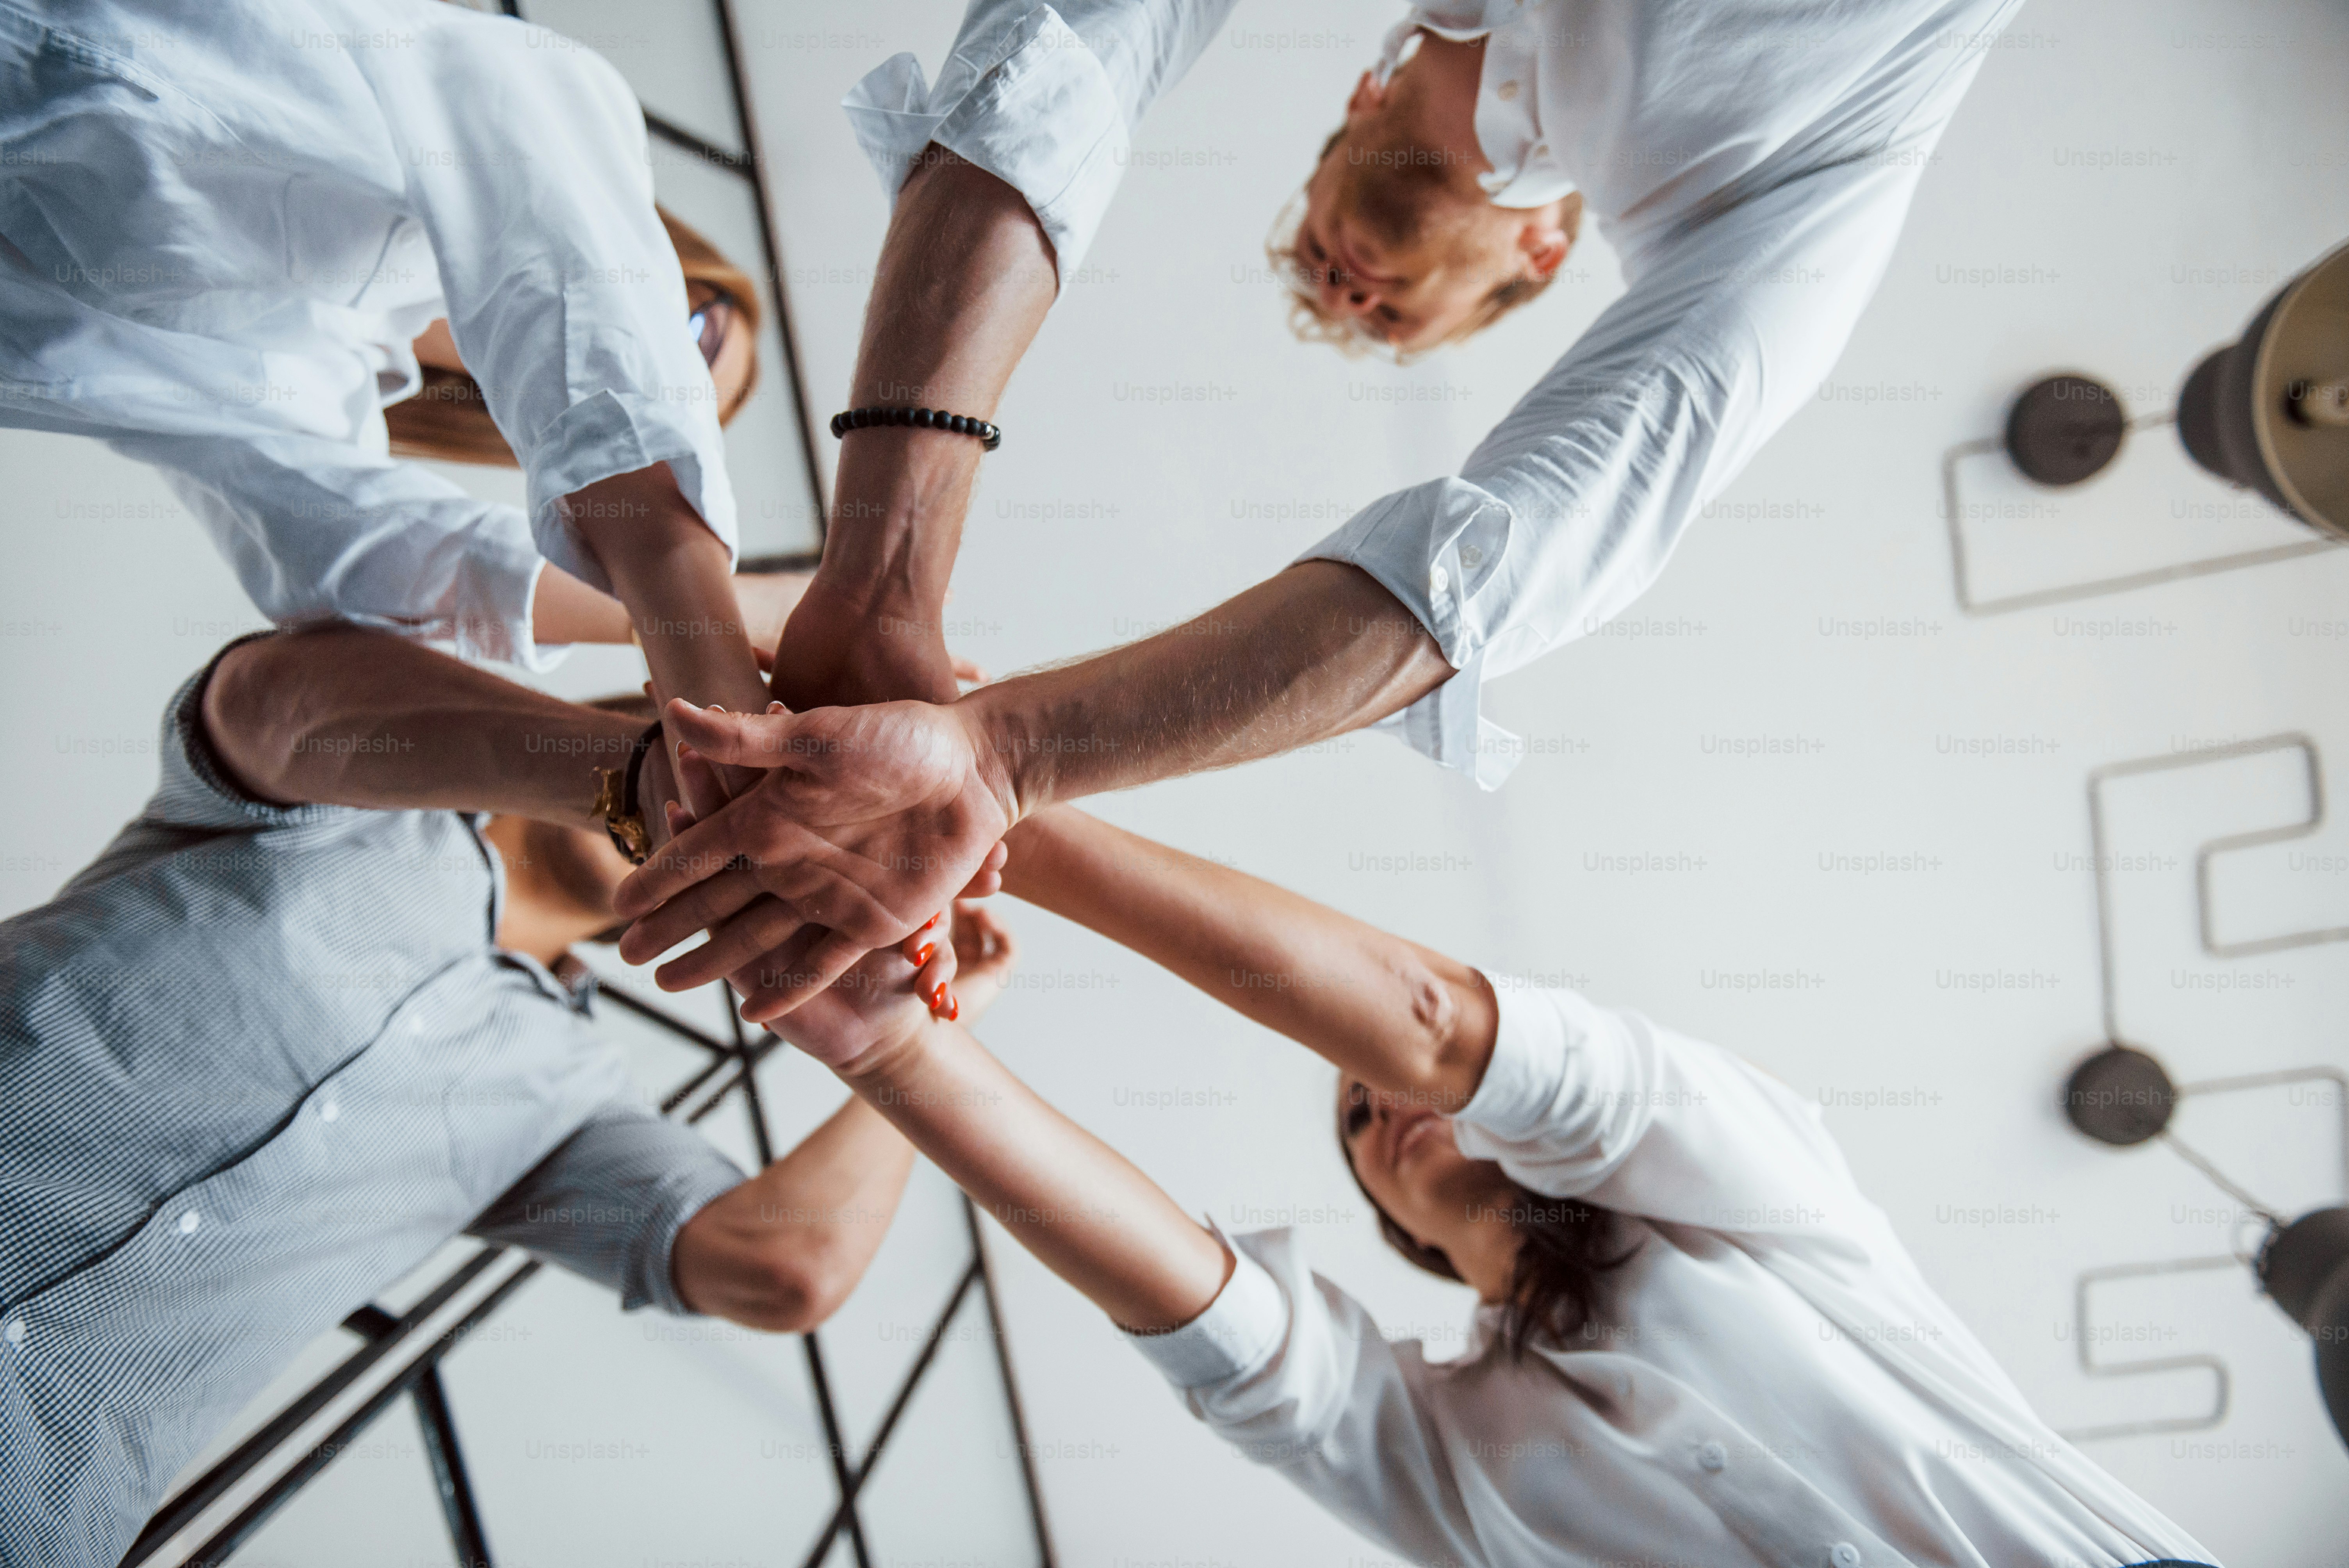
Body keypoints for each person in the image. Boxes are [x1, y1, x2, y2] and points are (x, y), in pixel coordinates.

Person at [629, 0, 2028, 1010]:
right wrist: (909, 629)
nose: (1346, 284)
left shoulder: (1779, 195)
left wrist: (984, 731)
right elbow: (1072, 53)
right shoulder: (1816, 162)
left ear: (1545, 257)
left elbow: (1501, 561)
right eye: (1338, 282)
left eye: (1367, 301)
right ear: (1356, 101)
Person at [761, 801, 2221, 1568]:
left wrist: (986, 809)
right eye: (1353, 1117)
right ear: (1390, 1227)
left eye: (1371, 1076)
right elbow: (1227, 1334)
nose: (1380, 1094)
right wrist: (897, 1055)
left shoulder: (1768, 1218)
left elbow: (1445, 1029)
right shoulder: (1459, 1462)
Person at [0, 627, 1003, 1567]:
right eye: (755, 769)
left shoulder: (567, 1096)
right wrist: (649, 769)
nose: (758, 802)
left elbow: (787, 1265)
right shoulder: (353, 799)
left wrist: (920, 1034)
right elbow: (266, 700)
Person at [0, 0, 775, 716]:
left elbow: (380, 562)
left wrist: (746, 614)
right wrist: (700, 589)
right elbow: (575, 282)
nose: (669, 364)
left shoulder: (316, 398)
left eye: (692, 387)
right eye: (697, 330)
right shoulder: (515, 110)